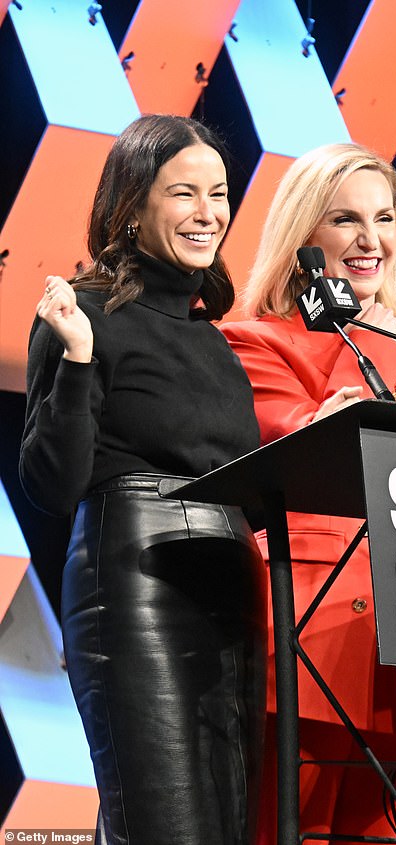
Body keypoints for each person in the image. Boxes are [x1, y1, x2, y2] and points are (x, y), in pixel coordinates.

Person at [19, 114, 267, 845]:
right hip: (137, 588)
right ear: (131, 206)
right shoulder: (84, 314)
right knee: (166, 828)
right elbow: (51, 483)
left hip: (230, 587)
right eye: (183, 193)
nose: (208, 213)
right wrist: (79, 360)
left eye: (218, 193)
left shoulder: (214, 339)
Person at [221, 142, 396, 842]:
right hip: (307, 643)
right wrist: (367, 341)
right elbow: (312, 452)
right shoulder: (251, 342)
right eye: (346, 219)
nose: (370, 240)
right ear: (303, 239)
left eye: (384, 219)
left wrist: (386, 346)